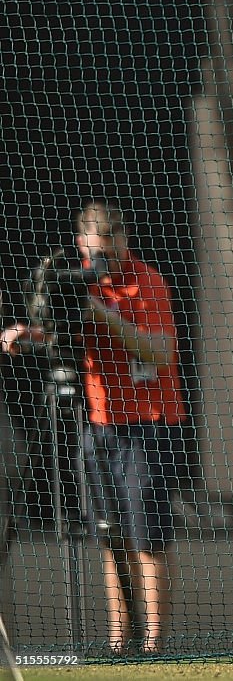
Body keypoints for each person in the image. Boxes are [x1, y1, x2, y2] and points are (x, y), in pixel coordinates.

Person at [1, 201, 185, 656]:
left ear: (124, 238)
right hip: (96, 423)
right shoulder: (75, 277)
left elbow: (160, 352)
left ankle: (154, 643)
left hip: (149, 425)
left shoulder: (147, 282)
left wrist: (101, 312)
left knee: (148, 538)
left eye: (109, 247)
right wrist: (28, 332)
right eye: (94, 249)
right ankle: (121, 639)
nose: (100, 259)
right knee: (110, 537)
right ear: (82, 242)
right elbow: (60, 330)